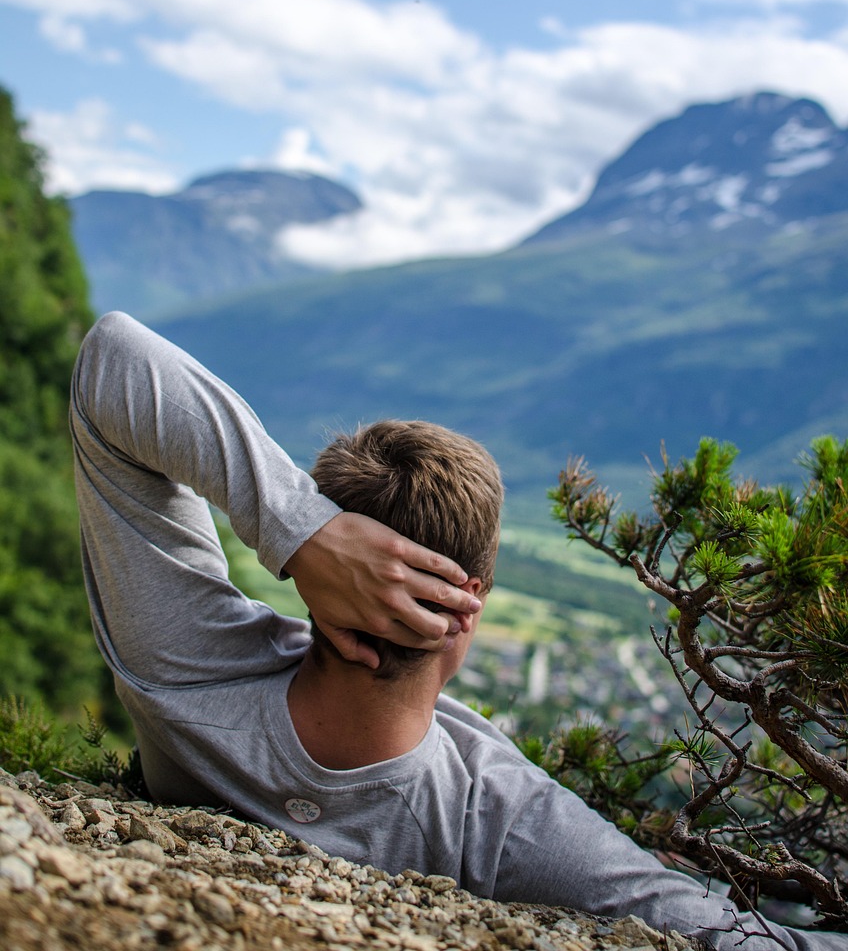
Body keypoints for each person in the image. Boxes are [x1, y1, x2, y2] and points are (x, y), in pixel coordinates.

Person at [71, 313, 844, 951]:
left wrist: (299, 532)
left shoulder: (184, 664)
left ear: (330, 579)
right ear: (470, 599)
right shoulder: (498, 818)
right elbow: (729, 936)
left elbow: (114, 358)